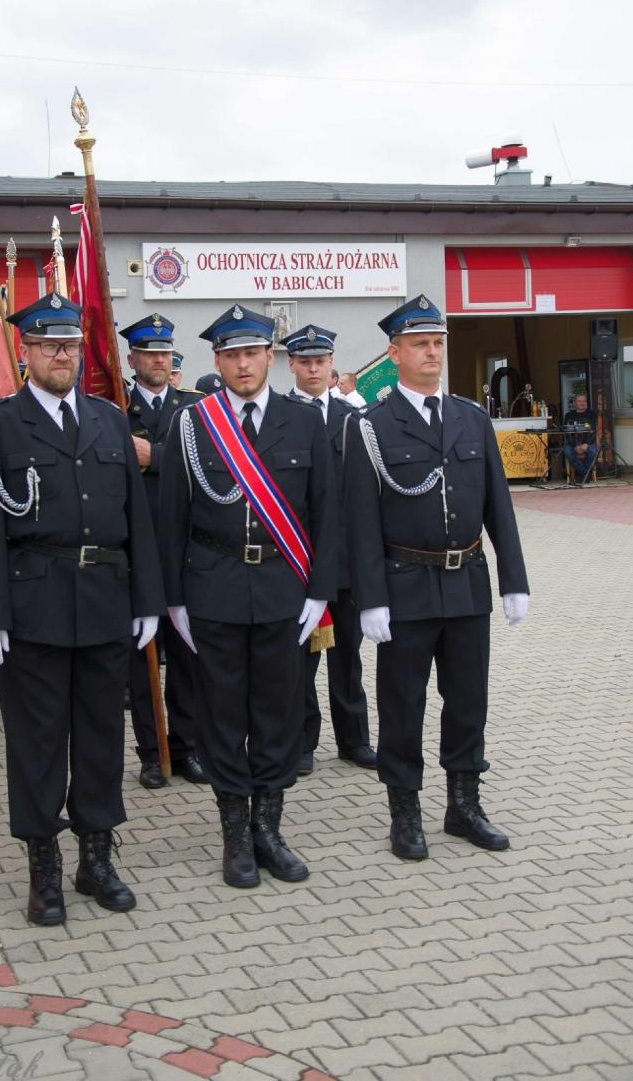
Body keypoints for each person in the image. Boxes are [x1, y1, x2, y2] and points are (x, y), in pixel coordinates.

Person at [0, 293, 164, 926]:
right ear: (26, 353)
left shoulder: (108, 420)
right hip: (34, 606)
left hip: (105, 602)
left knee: (103, 739)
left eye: (71, 345)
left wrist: (148, 601)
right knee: (38, 742)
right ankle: (43, 867)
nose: (62, 355)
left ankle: (96, 859)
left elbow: (137, 520)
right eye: (49, 345)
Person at [343, 293, 529, 862]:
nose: (432, 353)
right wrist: (369, 598)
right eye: (420, 344)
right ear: (394, 354)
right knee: (403, 702)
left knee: (468, 699)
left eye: (438, 343)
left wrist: (513, 580)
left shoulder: (470, 417)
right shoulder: (371, 427)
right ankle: (405, 810)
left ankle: (464, 804)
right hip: (405, 586)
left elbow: (499, 505)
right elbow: (360, 520)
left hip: (467, 581)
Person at [159, 304, 338, 887]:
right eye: (231, 355)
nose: (242, 364)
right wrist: (174, 599)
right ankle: (235, 834)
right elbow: (173, 518)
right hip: (213, 589)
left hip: (284, 590)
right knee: (221, 713)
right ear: (217, 361)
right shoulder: (192, 422)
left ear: (271, 357)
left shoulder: (304, 420)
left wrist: (320, 591)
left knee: (277, 713)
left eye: (252, 353)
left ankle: (269, 828)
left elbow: (327, 512)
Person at [281, 324, 376, 775]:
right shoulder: (278, 417)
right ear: (292, 365)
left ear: (332, 364)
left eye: (321, 360)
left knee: (348, 653)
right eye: (305, 361)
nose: (314, 368)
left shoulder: (353, 417)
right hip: (298, 559)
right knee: (301, 657)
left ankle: (354, 739)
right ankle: (302, 741)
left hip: (346, 561)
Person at [120, 314, 205, 788]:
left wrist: (157, 455)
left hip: (185, 552)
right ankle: (153, 753)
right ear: (132, 360)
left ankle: (187, 747)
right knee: (141, 657)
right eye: (148, 352)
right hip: (135, 551)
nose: (158, 359)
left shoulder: (194, 409)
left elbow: (210, 462)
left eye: (164, 351)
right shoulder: (113, 410)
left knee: (189, 655)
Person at [563, 393, 599, 483]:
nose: (582, 403)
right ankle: (585, 473)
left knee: (593, 451)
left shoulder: (592, 415)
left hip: (588, 443)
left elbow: (594, 431)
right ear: (574, 403)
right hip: (573, 444)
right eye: (579, 401)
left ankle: (582, 474)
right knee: (567, 450)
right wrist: (576, 445)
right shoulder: (569, 415)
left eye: (584, 401)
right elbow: (567, 433)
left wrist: (587, 444)